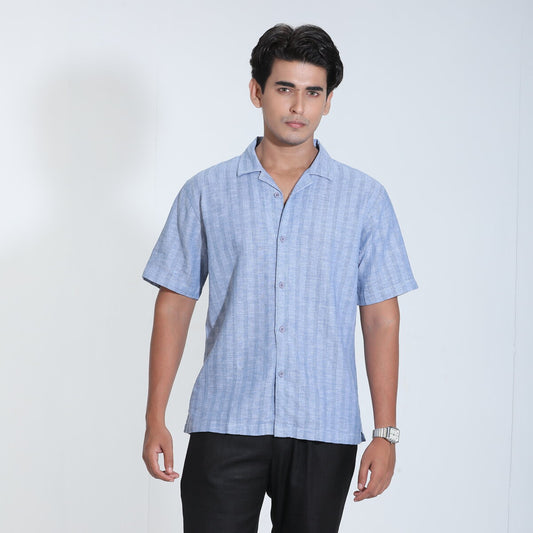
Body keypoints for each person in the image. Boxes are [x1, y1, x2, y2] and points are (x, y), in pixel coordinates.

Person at [141, 23, 418, 533]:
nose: (298, 106)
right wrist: (154, 415)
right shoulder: (206, 192)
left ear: (328, 101)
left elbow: (381, 317)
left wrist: (386, 432)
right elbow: (174, 305)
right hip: (226, 419)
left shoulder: (364, 199)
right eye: (285, 88)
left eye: (313, 92)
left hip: (323, 425)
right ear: (257, 91)